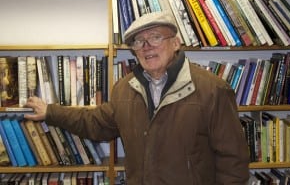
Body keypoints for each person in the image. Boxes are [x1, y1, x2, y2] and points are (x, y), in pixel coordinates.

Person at [24, 11, 249, 184]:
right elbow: (95, 123)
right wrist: (50, 112)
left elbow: (233, 162)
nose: (146, 46)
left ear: (176, 43)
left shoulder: (213, 90)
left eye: (155, 37)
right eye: (138, 42)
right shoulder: (124, 89)